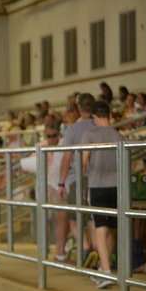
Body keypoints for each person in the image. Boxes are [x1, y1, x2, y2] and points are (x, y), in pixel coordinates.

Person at [80, 100, 122, 289]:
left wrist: (83, 183)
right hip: (117, 186)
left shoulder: (90, 134)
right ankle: (106, 267)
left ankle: (106, 271)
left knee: (100, 227)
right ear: (109, 115)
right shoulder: (118, 136)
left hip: (98, 185)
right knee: (112, 228)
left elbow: (84, 160)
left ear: (94, 116)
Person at [57, 93, 97, 264]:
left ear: (79, 108)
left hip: (77, 179)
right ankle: (98, 252)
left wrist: (61, 183)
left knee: (74, 219)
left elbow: (67, 158)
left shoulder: (73, 129)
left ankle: (87, 249)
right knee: (94, 219)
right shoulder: (101, 125)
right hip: (97, 179)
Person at [43, 123, 73, 262]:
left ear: (59, 135)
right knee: (58, 220)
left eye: (53, 135)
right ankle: (57, 250)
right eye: (48, 136)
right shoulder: (42, 147)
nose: (51, 139)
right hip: (55, 185)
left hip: (60, 185)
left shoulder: (62, 144)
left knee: (64, 220)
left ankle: (60, 249)